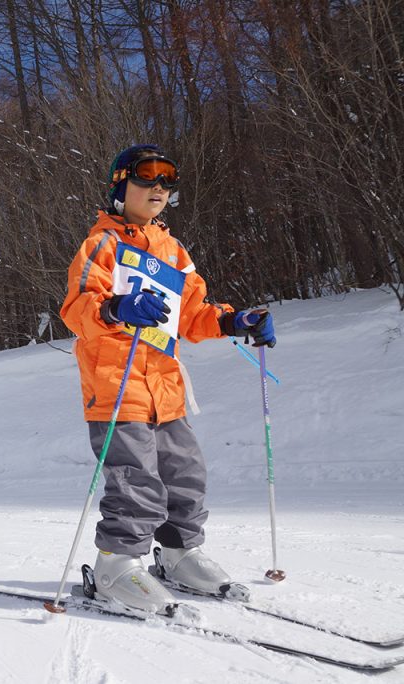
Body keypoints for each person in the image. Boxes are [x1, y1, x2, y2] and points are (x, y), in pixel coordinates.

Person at [58, 144, 276, 614]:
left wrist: (237, 322)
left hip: (165, 384)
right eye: (146, 178)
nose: (158, 188)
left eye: (166, 181)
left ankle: (179, 554)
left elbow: (193, 314)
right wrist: (116, 307)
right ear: (121, 185)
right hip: (116, 385)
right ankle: (116, 564)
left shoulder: (173, 250)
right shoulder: (102, 244)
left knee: (185, 474)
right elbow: (76, 309)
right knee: (136, 480)